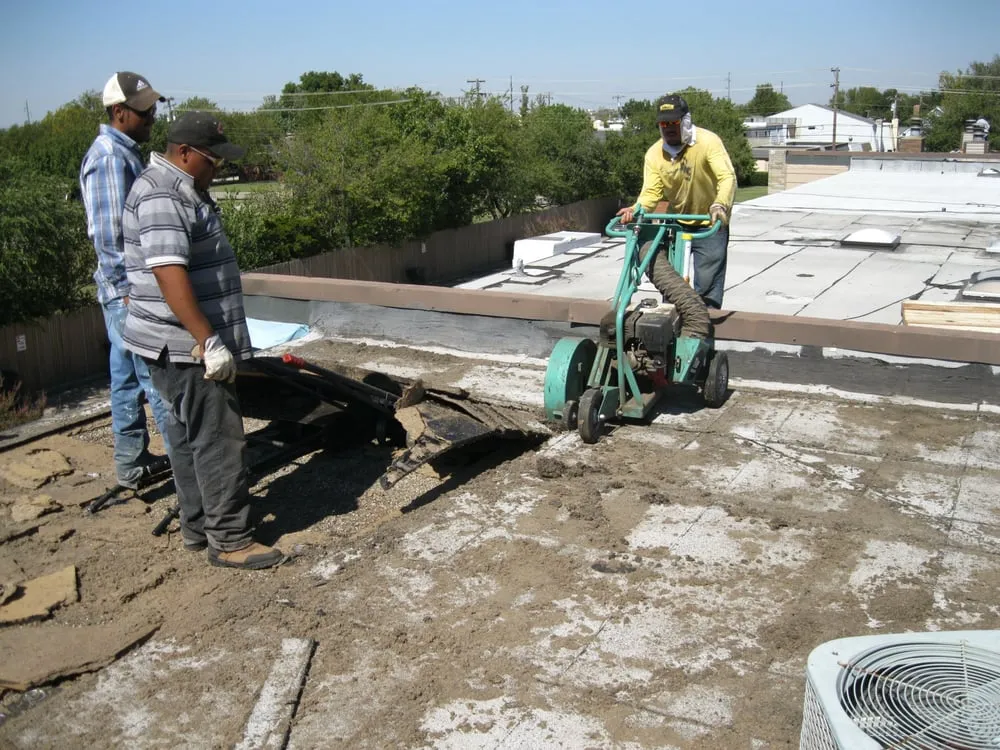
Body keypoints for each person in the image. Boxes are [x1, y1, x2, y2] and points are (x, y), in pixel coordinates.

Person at [121, 111, 283, 570]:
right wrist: (208, 341)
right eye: (212, 161)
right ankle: (230, 540)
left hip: (178, 344)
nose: (218, 170)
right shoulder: (162, 195)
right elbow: (170, 274)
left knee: (189, 437)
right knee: (218, 439)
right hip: (186, 348)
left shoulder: (180, 189)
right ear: (185, 153)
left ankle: (197, 528)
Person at [80, 71, 173, 489]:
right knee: (160, 382)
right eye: (144, 109)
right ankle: (193, 476)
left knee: (124, 378)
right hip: (128, 295)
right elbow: (109, 234)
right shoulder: (109, 158)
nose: (152, 114)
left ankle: (132, 463)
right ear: (120, 112)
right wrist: (131, 294)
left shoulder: (126, 152)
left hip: (123, 294)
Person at [616, 94, 736, 337]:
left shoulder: (708, 142)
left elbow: (727, 177)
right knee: (671, 282)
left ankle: (702, 332)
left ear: (686, 121)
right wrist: (636, 209)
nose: (668, 129)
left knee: (708, 280)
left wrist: (719, 205)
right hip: (676, 222)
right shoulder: (654, 154)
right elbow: (651, 193)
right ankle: (669, 329)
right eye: (663, 125)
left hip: (709, 222)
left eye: (673, 123)